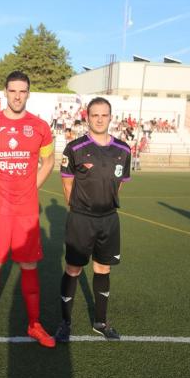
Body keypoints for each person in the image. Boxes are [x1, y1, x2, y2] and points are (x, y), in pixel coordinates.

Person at [0, 71, 56, 350]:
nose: (17, 96)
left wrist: (31, 187)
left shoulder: (40, 126)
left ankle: (34, 324)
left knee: (29, 266)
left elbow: (49, 160)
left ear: (28, 93)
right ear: (5, 92)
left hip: (26, 210)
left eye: (23, 91)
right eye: (13, 91)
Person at [55, 97, 131, 343]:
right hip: (81, 219)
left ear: (110, 117)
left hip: (109, 219)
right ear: (88, 117)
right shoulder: (75, 148)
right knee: (73, 268)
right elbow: (67, 184)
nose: (100, 119)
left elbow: (117, 186)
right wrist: (80, 210)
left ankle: (100, 321)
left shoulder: (123, 149)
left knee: (103, 268)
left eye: (104, 115)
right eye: (95, 115)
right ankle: (65, 322)